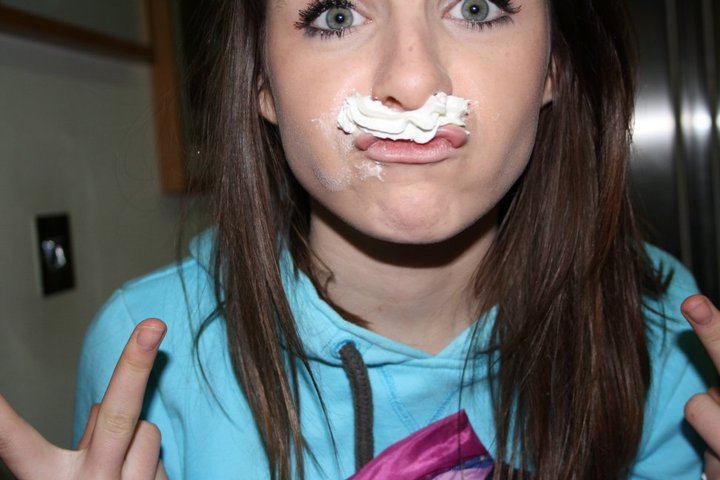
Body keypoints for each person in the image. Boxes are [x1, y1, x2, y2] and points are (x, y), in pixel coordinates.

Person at [0, 0, 718, 478]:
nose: (412, 79)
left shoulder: (659, 326)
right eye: (337, 14)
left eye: (477, 6)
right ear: (263, 84)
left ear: (553, 66)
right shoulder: (151, 357)